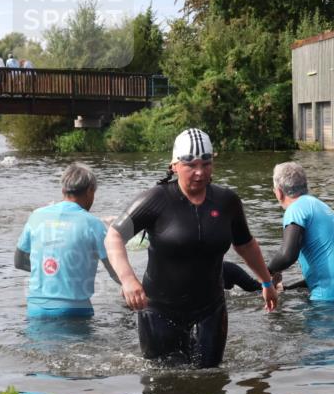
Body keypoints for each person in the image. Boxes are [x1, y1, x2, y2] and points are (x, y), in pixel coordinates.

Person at [105, 128, 277, 368]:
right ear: (174, 165)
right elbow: (113, 236)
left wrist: (266, 282)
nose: (200, 172)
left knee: (211, 381)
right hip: (160, 310)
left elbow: (246, 245)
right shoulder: (155, 200)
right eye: (191, 165)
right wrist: (128, 280)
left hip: (210, 309)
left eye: (206, 164)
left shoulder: (227, 202)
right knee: (163, 385)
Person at [15, 163, 119, 318]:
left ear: (63, 190)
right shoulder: (94, 224)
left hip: (36, 309)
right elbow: (115, 270)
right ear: (90, 190)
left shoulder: (36, 216)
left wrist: (52, 271)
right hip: (74, 310)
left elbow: (19, 262)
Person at [268, 162, 334, 303]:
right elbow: (325, 269)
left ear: (279, 192)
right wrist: (287, 289)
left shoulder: (295, 209)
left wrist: (267, 274)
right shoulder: (319, 205)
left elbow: (287, 255)